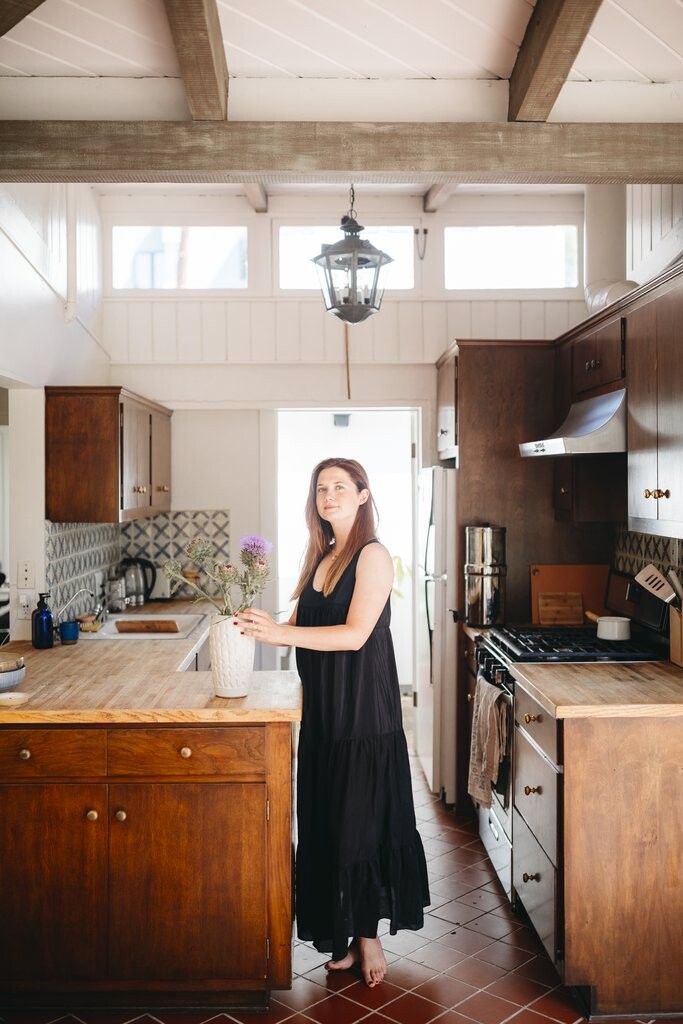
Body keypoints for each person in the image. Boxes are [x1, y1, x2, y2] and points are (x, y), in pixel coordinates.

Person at [235, 457, 429, 988]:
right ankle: (344, 930)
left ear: (363, 495)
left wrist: (281, 635)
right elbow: (305, 623)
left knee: (358, 822)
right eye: (322, 488)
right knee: (326, 819)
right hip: (324, 711)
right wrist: (260, 624)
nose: (329, 495)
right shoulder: (321, 556)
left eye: (341, 487)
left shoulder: (373, 556)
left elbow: (355, 634)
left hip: (363, 712)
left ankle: (368, 934)